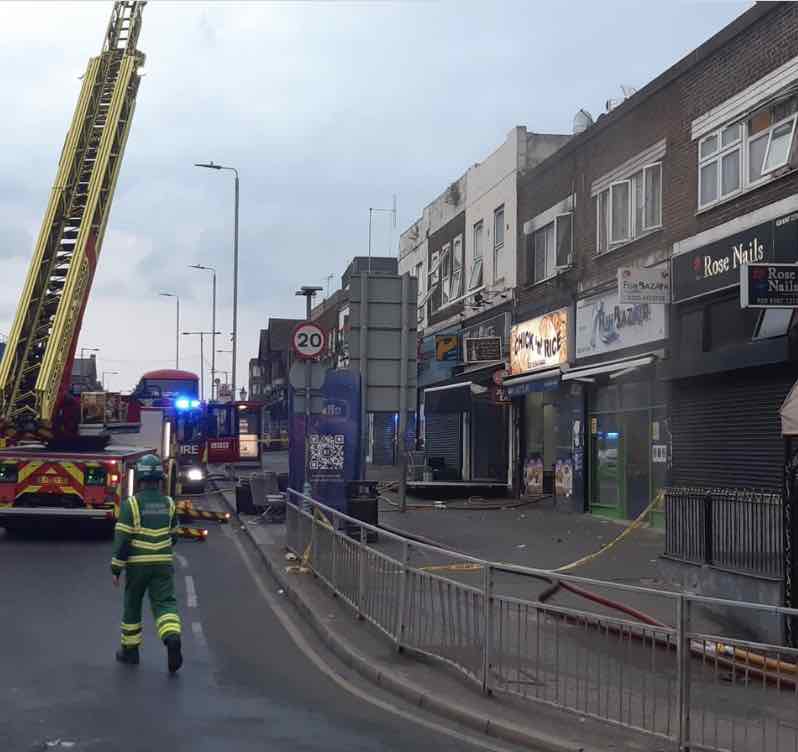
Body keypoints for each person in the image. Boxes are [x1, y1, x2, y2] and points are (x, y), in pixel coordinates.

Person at [110, 453, 183, 673]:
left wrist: (116, 568)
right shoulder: (169, 503)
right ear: (160, 479)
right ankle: (171, 637)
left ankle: (130, 652)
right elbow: (175, 535)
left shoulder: (131, 504)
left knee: (133, 604)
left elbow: (122, 540)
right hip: (162, 563)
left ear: (139, 478)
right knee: (165, 603)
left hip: (137, 564)